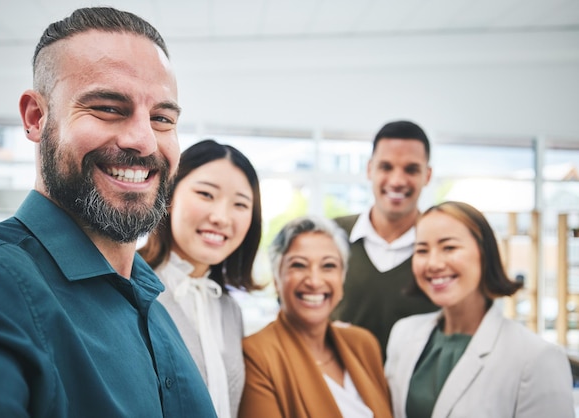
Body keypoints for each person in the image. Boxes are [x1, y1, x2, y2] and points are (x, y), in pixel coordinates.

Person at [0, 7, 217, 417]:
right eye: (109, 108)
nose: (144, 141)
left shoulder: (149, 299)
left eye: (162, 118)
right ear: (36, 117)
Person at [385, 201, 574, 418]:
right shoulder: (404, 334)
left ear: (485, 254)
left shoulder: (536, 357)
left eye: (449, 247)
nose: (433, 263)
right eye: (422, 250)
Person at [138, 138, 262, 418]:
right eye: (206, 194)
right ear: (168, 197)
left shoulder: (229, 309)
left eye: (240, 204)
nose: (221, 217)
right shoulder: (134, 290)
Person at [239, 216, 393, 418]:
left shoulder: (364, 344)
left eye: (328, 266)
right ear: (277, 278)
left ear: (342, 277)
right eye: (299, 265)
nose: (314, 280)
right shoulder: (257, 355)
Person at [331, 120, 438, 360]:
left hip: (417, 394)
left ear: (427, 175)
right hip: (335, 392)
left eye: (411, 169)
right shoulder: (331, 235)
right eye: (386, 167)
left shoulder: (439, 247)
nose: (397, 180)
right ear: (370, 169)